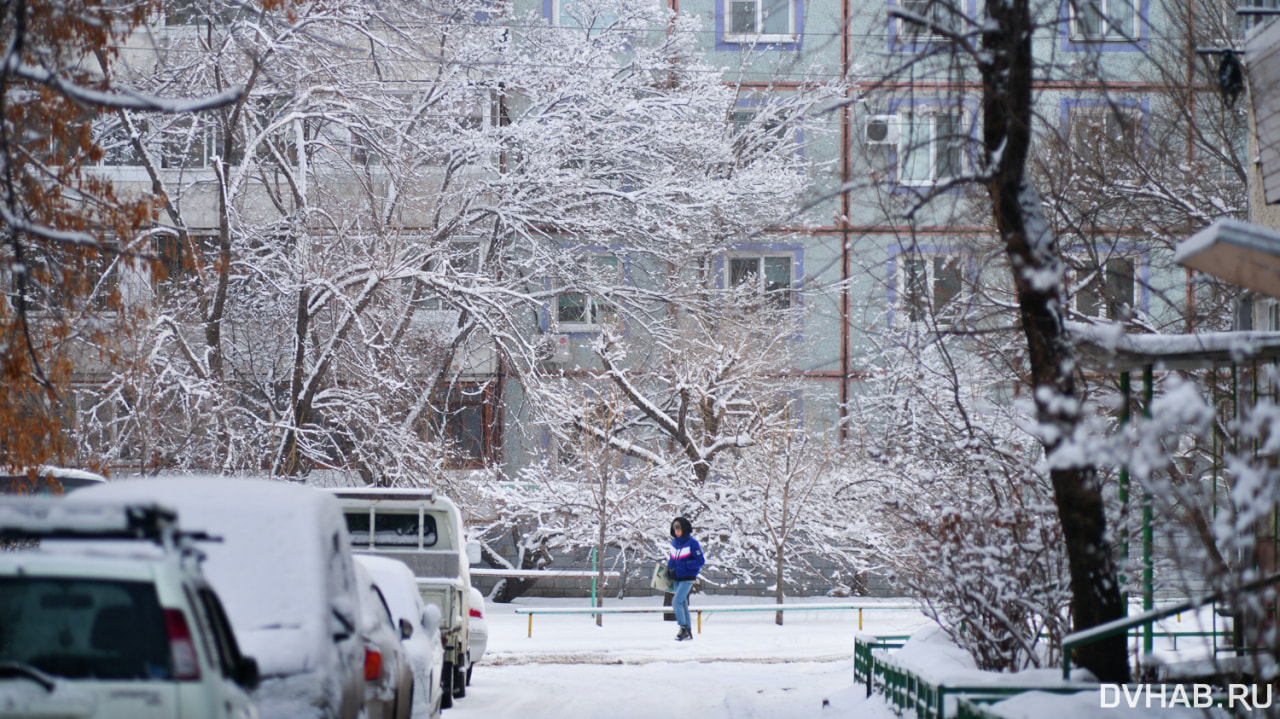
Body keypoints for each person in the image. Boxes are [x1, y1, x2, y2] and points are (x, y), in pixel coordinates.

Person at [666, 516, 704, 641]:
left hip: (687, 577)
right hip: (676, 577)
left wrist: (687, 566)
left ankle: (682, 628)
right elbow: (672, 559)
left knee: (676, 601)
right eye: (675, 529)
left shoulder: (693, 543)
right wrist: (669, 568)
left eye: (679, 529)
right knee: (682, 603)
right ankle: (688, 631)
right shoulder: (674, 543)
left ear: (684, 529)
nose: (677, 532)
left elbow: (700, 561)